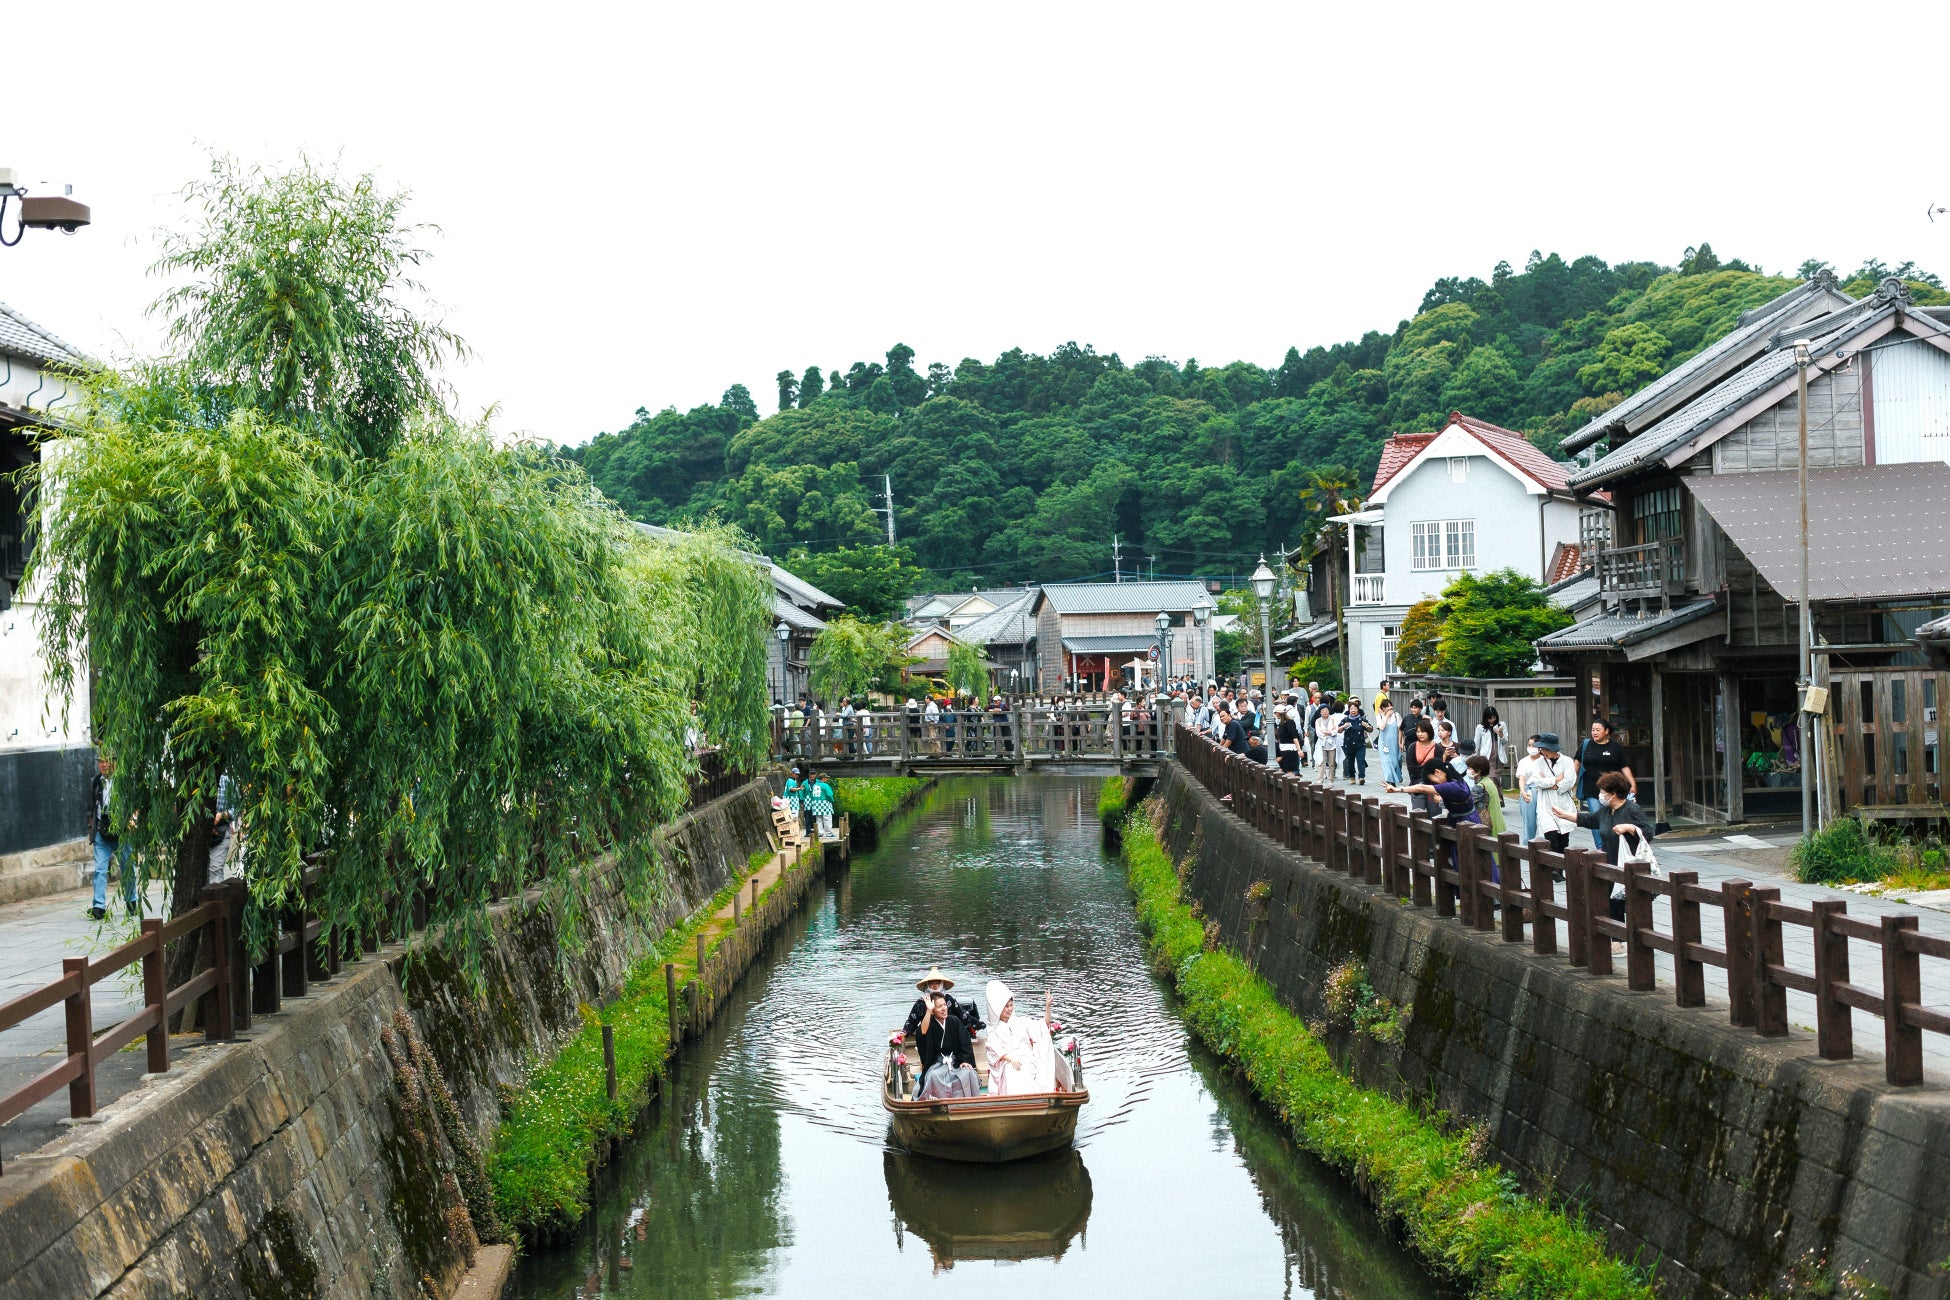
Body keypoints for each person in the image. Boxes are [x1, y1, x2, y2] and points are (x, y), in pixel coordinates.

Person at [1578, 770, 1656, 923]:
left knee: (1633, 905)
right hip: (1610, 863)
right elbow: (1590, 819)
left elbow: (1648, 833)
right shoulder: (1606, 811)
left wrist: (1630, 828)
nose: (1600, 795)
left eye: (1602, 791)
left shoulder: (1632, 810)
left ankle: (1633, 942)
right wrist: (1563, 814)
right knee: (1612, 904)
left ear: (1612, 793)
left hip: (1630, 864)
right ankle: (1617, 942)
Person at [87, 753, 140, 920]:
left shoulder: (124, 781)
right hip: (102, 831)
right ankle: (98, 906)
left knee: (127, 868)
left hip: (122, 831)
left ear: (114, 763)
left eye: (107, 761)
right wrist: (91, 829)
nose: (103, 765)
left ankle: (131, 901)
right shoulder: (96, 781)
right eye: (101, 762)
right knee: (100, 869)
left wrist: (133, 818)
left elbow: (135, 803)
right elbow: (90, 806)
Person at [985, 979, 1057, 1096]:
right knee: (1012, 1071)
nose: (1010, 1009)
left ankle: (1032, 1099)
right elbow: (995, 1050)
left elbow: (1043, 1026)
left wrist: (1048, 1007)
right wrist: (1011, 1059)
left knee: (1025, 1069)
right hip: (1006, 1063)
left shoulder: (1020, 1022)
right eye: (1006, 1006)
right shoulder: (994, 1030)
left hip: (1026, 1059)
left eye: (1011, 1005)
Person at [1576, 720, 1636, 850]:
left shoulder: (1615, 747)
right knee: (1597, 817)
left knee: (1615, 817)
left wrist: (1632, 783)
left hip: (1612, 791)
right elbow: (1576, 764)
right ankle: (1601, 847)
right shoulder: (1586, 745)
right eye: (1593, 730)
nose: (1594, 732)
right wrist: (1570, 782)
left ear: (1606, 731)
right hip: (1592, 790)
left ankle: (1615, 845)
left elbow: (1624, 766)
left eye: (1598, 730)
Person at [912, 986, 981, 1100]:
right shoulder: (930, 1023)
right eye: (939, 1007)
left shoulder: (954, 1021)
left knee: (968, 1072)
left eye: (944, 1005)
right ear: (933, 1010)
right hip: (937, 1063)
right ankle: (938, 1102)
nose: (944, 1008)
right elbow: (922, 1032)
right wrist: (928, 1010)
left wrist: (965, 1061)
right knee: (934, 1076)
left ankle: (967, 1100)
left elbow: (964, 1042)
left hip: (955, 1061)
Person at [903, 965, 986, 1040]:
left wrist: (976, 1023)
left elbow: (962, 1014)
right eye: (932, 984)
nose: (934, 986)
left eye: (937, 983)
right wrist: (904, 1032)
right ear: (927, 985)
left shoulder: (948, 999)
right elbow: (912, 1020)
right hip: (929, 1034)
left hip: (949, 1033)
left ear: (941, 984)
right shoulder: (921, 1002)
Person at [1531, 733, 1582, 852]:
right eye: (1541, 749)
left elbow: (1569, 782)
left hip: (1563, 804)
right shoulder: (1539, 763)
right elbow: (1537, 782)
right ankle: (1554, 868)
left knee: (1563, 840)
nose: (1543, 752)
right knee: (1551, 837)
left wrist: (1551, 784)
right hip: (1546, 805)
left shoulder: (1567, 761)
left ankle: (1560, 869)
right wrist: (1556, 779)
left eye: (1546, 749)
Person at [1514, 737, 1550, 845]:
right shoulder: (1524, 761)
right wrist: (1522, 791)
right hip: (1529, 790)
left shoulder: (1545, 761)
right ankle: (1527, 846)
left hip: (1543, 790)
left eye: (1534, 745)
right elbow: (1522, 778)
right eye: (1529, 745)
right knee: (1529, 822)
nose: (1531, 748)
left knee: (1544, 821)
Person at [1465, 754, 1506, 836]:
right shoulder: (1488, 781)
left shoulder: (1480, 787)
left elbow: (1466, 802)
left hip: (1489, 825)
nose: (1467, 770)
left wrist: (1442, 801)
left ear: (1478, 770)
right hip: (1497, 822)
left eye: (1469, 768)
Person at [1474, 707, 1510, 787]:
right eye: (1489, 718)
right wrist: (1475, 758)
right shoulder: (1480, 727)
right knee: (1490, 779)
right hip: (1487, 758)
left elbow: (1505, 741)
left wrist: (1500, 734)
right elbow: (1477, 743)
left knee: (1494, 779)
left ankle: (1498, 799)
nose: (1492, 720)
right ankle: (1498, 798)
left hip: (1498, 758)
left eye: (1494, 718)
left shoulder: (1501, 725)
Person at [1312, 701, 1344, 784]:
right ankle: (1320, 779)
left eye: (1326, 710)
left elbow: (1336, 730)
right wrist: (1329, 732)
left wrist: (1328, 732)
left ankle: (1331, 779)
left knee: (1332, 763)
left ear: (1329, 711)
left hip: (1332, 743)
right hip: (1322, 743)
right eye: (1322, 711)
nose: (1324, 712)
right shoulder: (1318, 721)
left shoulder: (1333, 719)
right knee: (1321, 761)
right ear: (1320, 712)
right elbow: (1318, 733)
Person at [1341, 699, 1372, 785]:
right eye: (1351, 709)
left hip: (1360, 744)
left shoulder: (1362, 719)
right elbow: (1338, 730)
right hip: (1348, 744)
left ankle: (1361, 777)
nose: (1353, 711)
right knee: (1350, 761)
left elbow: (1370, 729)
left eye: (1355, 709)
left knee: (1360, 760)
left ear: (1358, 710)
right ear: (1349, 710)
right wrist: (1343, 726)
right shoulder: (1345, 720)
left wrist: (1367, 726)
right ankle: (1352, 777)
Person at [1376, 699, 1404, 785]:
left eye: (1390, 705)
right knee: (1387, 761)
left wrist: (1400, 742)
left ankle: (1396, 777)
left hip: (1394, 742)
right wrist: (1387, 716)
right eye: (1387, 706)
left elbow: (1400, 730)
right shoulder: (1379, 716)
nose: (1389, 708)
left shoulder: (1396, 715)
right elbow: (1381, 727)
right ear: (1382, 708)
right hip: (1384, 743)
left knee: (1396, 761)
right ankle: (1390, 781)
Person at [1274, 703, 1304, 774]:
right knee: (1284, 770)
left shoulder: (1289, 722)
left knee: (1290, 771)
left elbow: (1294, 736)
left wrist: (1299, 750)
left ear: (1278, 713)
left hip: (1290, 749)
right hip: (1283, 748)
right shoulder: (1281, 723)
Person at [806, 770, 836, 839]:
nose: (827, 779)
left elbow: (811, 795)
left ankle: (820, 833)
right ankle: (829, 834)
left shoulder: (814, 785)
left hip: (815, 804)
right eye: (826, 778)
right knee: (827, 818)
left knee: (818, 819)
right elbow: (829, 795)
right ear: (822, 779)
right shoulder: (825, 785)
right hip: (824, 803)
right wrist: (831, 800)